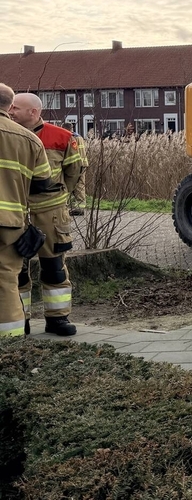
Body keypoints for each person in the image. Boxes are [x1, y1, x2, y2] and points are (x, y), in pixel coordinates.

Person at [9, 93, 84, 336]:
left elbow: (74, 172)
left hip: (50, 212)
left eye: (15, 108)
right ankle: (22, 319)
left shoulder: (62, 137)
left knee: (54, 267)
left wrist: (58, 199)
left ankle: (58, 318)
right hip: (16, 212)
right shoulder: (7, 136)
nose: (10, 111)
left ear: (33, 112)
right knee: (16, 270)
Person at [0, 84, 54, 338]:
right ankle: (10, 347)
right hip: (11, 224)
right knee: (7, 283)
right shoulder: (30, 139)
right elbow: (43, 183)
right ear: (9, 107)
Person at [69, 130, 88, 216]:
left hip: (76, 164)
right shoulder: (79, 136)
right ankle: (80, 206)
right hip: (83, 164)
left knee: (71, 184)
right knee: (80, 185)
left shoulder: (71, 137)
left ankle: (77, 208)